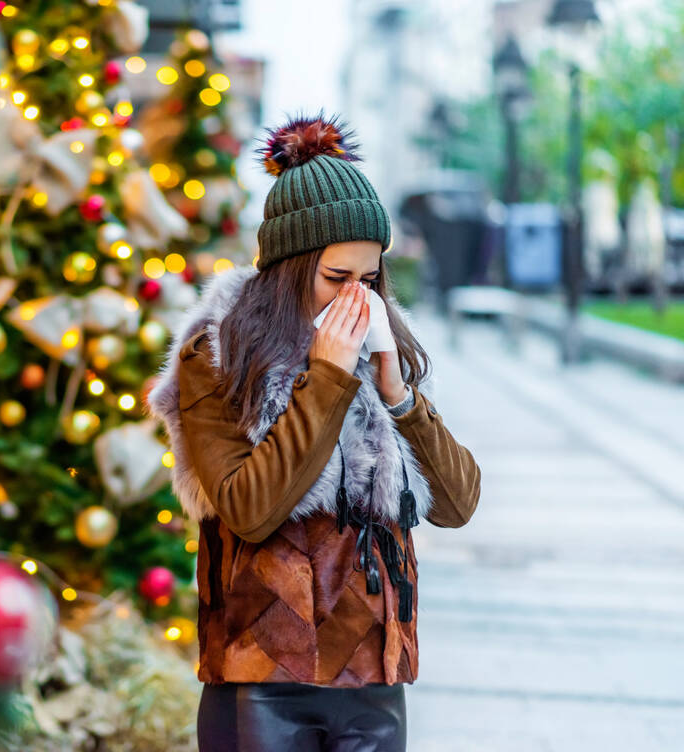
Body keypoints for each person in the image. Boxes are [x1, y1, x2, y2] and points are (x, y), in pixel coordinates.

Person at [147, 114, 482, 751]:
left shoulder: (384, 350)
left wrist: (400, 398)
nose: (357, 299)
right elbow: (249, 509)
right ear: (289, 265)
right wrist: (325, 377)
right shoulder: (218, 354)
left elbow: (458, 504)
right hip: (261, 678)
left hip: (375, 678)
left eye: (370, 280)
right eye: (336, 278)